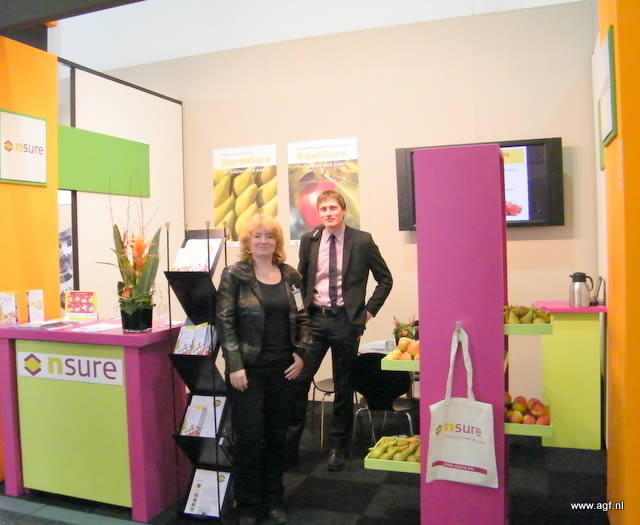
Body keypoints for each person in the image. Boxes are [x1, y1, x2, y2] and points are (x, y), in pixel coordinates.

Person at [287, 189, 393, 471]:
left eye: (333, 208)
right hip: (315, 320)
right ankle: (289, 447)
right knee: (299, 380)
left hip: (346, 322)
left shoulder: (362, 241)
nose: (329, 213)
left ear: (344, 210)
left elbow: (385, 279)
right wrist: (299, 315)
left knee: (343, 386)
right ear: (318, 213)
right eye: (323, 209)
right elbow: (300, 281)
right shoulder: (310, 240)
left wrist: (367, 314)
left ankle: (338, 447)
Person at [216, 213, 311, 525]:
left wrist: (301, 353)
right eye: (257, 236)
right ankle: (247, 504)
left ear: (277, 242)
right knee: (249, 438)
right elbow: (225, 322)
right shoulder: (234, 275)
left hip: (283, 370)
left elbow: (304, 318)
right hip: (248, 371)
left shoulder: (291, 276)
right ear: (247, 241)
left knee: (276, 437)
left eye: (269, 236)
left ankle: (273, 499)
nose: (263, 241)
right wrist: (234, 365)